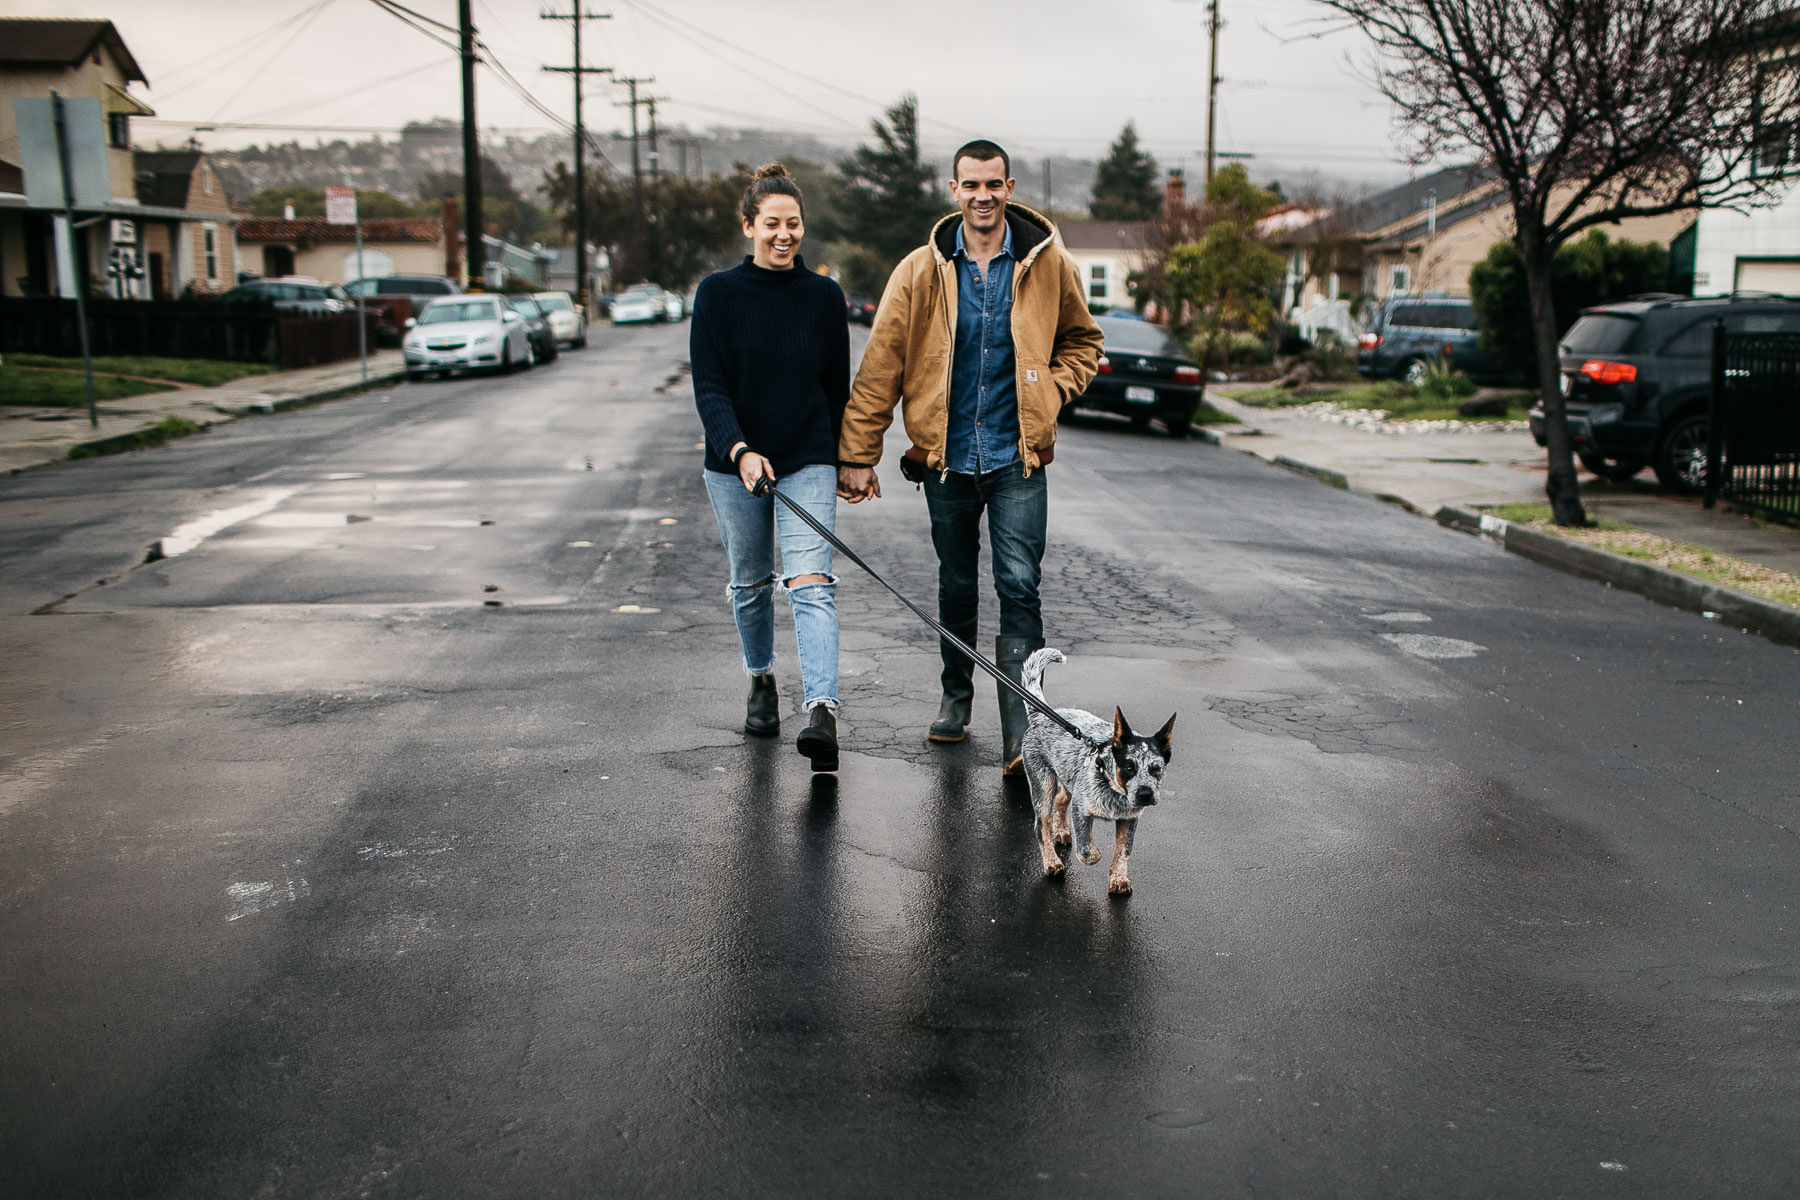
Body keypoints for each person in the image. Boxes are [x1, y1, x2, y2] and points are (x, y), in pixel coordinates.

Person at [837, 139, 1103, 776]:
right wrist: (858, 452)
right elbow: (881, 368)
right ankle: (956, 698)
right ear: (953, 190)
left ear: (1010, 187)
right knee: (957, 585)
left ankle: (1022, 735)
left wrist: (1051, 388)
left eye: (993, 184)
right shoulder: (919, 272)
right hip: (946, 460)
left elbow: (1084, 343)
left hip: (1018, 459)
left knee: (1020, 589)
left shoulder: (1047, 264)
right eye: (970, 185)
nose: (982, 196)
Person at [692, 162, 850, 772]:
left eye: (794, 224)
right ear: (748, 226)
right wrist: (740, 450)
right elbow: (709, 388)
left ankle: (822, 711)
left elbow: (836, 389)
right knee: (752, 583)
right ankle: (761, 679)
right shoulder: (718, 294)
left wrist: (847, 460)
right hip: (734, 465)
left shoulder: (823, 296)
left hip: (807, 456)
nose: (784, 234)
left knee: (810, 582)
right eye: (771, 224)